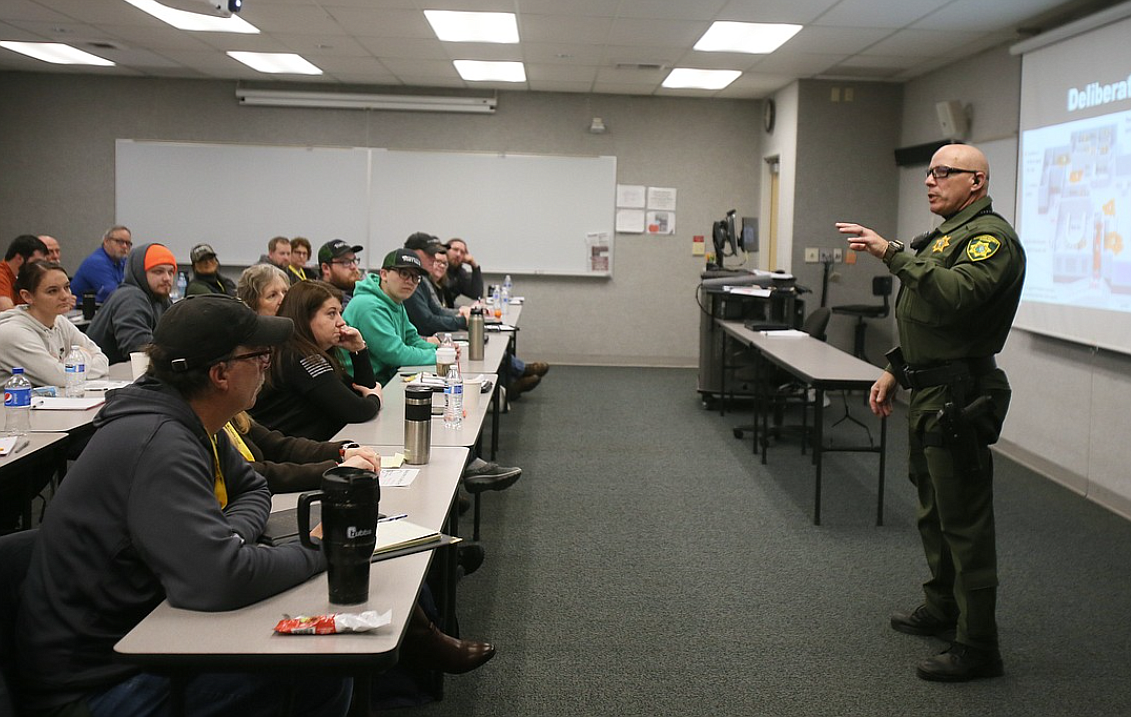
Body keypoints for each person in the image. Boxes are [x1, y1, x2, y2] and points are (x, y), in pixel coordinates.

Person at [16, 294, 352, 717]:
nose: (269, 364)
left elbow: (252, 489)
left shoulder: (192, 419)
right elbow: (222, 579)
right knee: (324, 664)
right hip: (99, 686)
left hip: (143, 637)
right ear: (219, 375)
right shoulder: (161, 442)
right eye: (259, 355)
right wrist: (324, 549)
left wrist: (227, 536)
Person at [836, 143, 1025, 683]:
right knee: (933, 510)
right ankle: (944, 606)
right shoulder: (944, 237)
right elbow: (927, 319)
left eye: (945, 172)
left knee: (964, 521)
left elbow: (957, 295)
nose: (930, 181)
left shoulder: (991, 240)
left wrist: (892, 252)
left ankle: (979, 644)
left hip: (959, 395)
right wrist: (896, 367)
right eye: (930, 171)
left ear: (977, 183)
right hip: (928, 389)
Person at [343, 249, 521, 490]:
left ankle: (462, 472)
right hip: (368, 388)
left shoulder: (394, 302)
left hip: (388, 381)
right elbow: (395, 352)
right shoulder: (369, 305)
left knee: (438, 405)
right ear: (383, 274)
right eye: (403, 274)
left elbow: (412, 339)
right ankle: (466, 471)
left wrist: (442, 352)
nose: (410, 281)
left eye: (415, 277)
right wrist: (438, 355)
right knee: (427, 410)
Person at [250, 280, 383, 441]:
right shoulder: (301, 357)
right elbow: (357, 411)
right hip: (290, 457)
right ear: (305, 318)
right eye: (331, 313)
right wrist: (375, 397)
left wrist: (358, 349)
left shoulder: (305, 352)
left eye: (340, 313)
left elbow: (360, 390)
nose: (341, 322)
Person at [0, 260, 109, 386]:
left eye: (67, 287)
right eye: (52, 291)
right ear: (27, 296)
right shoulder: (12, 333)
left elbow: (103, 361)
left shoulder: (59, 320)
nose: (65, 296)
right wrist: (85, 355)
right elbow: (61, 378)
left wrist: (71, 368)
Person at [86, 243, 176, 364]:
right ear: (140, 272)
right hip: (105, 376)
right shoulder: (131, 297)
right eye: (158, 272)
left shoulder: (161, 299)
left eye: (170, 272)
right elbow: (139, 349)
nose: (167, 278)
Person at [403, 233, 471, 336]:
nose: (434, 259)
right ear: (413, 253)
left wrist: (466, 315)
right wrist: (463, 321)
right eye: (429, 254)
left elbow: (437, 310)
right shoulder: (407, 283)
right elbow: (427, 323)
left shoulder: (421, 279)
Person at [70, 225, 132, 304]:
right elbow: (115, 295)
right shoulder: (95, 262)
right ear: (106, 242)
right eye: (119, 241)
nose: (124, 246)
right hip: (79, 311)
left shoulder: (122, 261)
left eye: (128, 243)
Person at [0, 234, 48, 310]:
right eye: (36, 262)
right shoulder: (1, 275)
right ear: (19, 258)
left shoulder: (19, 277)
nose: (39, 267)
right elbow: (7, 311)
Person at [318, 239, 363, 309]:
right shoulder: (319, 303)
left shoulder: (356, 293)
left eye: (354, 260)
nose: (353, 267)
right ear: (326, 268)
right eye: (346, 262)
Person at [443, 237, 484, 305]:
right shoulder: (438, 268)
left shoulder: (460, 273)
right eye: (455, 250)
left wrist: (474, 266)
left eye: (462, 252)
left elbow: (476, 294)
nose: (458, 254)